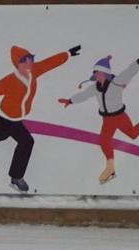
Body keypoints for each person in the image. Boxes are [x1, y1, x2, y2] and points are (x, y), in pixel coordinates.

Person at [0, 44, 80, 192]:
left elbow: (50, 63)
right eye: (24, 61)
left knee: (0, 134)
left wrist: (67, 54)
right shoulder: (10, 80)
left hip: (13, 119)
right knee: (26, 142)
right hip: (8, 119)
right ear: (17, 64)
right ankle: (16, 177)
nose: (29, 63)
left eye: (30, 59)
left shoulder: (34, 70)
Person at [58, 55, 139, 184]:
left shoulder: (117, 82)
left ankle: (110, 168)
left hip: (119, 117)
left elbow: (130, 71)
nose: (96, 75)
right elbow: (84, 95)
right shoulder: (95, 88)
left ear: (105, 73)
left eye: (98, 72)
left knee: (133, 134)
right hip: (107, 120)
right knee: (104, 141)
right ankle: (110, 168)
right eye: (95, 73)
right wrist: (70, 101)